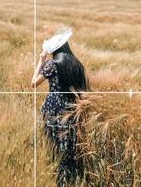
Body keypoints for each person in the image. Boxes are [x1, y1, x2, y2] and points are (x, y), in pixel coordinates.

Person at [32, 29, 89, 186]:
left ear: (54, 50)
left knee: (52, 143)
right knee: (68, 143)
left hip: (53, 108)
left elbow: (33, 83)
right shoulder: (78, 65)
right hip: (71, 109)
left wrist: (41, 60)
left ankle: (55, 176)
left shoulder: (52, 64)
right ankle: (69, 176)